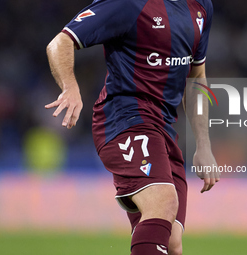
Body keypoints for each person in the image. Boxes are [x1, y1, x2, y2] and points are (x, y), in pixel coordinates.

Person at [45, 0, 219, 254]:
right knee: (163, 201)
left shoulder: (202, 6)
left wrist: (203, 145)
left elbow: (196, 78)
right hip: (124, 119)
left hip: (165, 130)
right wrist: (70, 86)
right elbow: (60, 42)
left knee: (172, 243)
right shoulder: (128, 3)